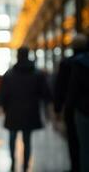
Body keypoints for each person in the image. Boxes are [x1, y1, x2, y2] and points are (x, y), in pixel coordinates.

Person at [0, 47, 51, 172]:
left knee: (12, 138)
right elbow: (45, 93)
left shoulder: (9, 74)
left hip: (13, 111)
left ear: (17, 56)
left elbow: (3, 94)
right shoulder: (37, 73)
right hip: (30, 112)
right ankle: (26, 165)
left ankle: (13, 162)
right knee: (27, 140)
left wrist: (4, 107)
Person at [54, 33, 88, 172]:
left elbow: (61, 87)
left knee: (74, 140)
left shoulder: (67, 63)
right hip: (80, 106)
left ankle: (76, 167)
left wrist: (58, 108)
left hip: (75, 108)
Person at [65, 34, 89, 172]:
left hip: (82, 110)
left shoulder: (77, 64)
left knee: (83, 147)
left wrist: (65, 109)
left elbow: (73, 90)